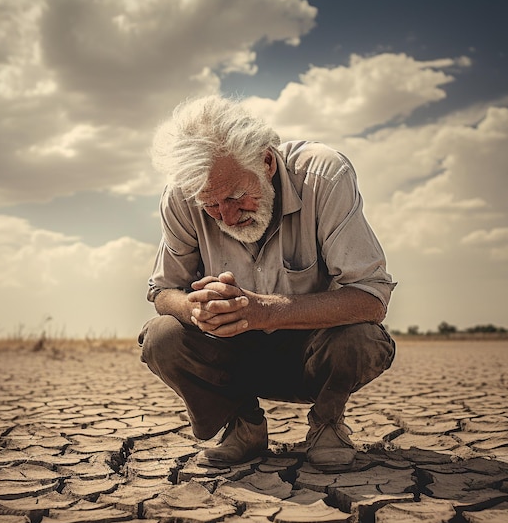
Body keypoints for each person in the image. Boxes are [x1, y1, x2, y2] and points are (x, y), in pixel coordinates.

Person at [139, 95, 396, 472]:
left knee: (361, 338)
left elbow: (372, 298)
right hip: (232, 356)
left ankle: (327, 424)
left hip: (315, 352)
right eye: (210, 205)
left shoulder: (324, 176)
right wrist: (195, 310)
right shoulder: (182, 194)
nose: (226, 215)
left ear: (266, 160)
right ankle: (243, 426)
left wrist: (264, 311)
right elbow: (162, 292)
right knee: (161, 335)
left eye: (236, 196)